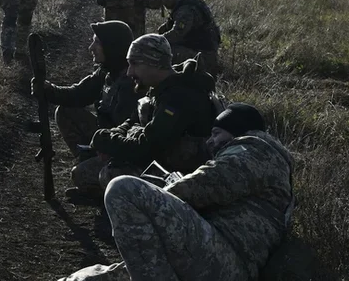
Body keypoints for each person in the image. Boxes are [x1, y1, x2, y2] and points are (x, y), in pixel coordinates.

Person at [57, 103, 295, 281]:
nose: (210, 142)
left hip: (225, 259)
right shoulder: (261, 159)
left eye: (216, 134)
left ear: (236, 131)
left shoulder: (254, 150)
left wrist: (161, 194)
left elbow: (201, 186)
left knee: (123, 189)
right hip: (211, 254)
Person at [31, 21, 141, 200]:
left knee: (80, 175)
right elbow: (77, 94)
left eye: (96, 42)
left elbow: (129, 135)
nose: (91, 47)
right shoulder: (105, 72)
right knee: (66, 111)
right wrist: (48, 90)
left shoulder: (130, 84)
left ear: (111, 46)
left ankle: (103, 189)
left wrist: (105, 149)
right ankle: (89, 162)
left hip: (122, 148)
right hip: (106, 138)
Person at [90, 34, 217, 189]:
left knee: (111, 175)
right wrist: (111, 136)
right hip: (159, 161)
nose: (129, 72)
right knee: (84, 173)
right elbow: (133, 120)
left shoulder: (178, 97)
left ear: (155, 64)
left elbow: (147, 148)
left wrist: (106, 141)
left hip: (183, 176)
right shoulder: (159, 89)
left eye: (134, 64)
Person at [158, 0, 221, 75]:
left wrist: (156, 41)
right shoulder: (186, 4)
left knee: (163, 52)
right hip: (202, 52)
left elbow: (177, 34)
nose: (161, 1)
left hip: (203, 57)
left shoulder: (185, 10)